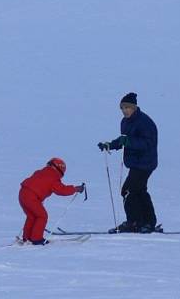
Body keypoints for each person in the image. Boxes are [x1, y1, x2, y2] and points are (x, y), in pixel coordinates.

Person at [98, 93, 159, 233]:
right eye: (122, 108)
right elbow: (124, 140)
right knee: (139, 191)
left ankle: (135, 222)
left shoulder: (145, 122)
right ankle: (146, 222)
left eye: (127, 107)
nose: (125, 110)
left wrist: (129, 142)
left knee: (128, 190)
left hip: (145, 162)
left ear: (134, 107)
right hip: (135, 163)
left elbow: (147, 143)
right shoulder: (125, 122)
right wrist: (110, 145)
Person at [19, 157, 85, 245]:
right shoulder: (53, 177)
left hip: (22, 193)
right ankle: (36, 239)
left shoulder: (39, 172)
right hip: (32, 197)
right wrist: (75, 189)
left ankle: (26, 238)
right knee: (42, 216)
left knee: (32, 216)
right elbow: (62, 190)